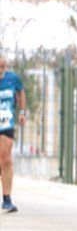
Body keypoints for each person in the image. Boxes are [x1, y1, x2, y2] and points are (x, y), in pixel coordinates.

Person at [0, 55, 26, 213]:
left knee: (6, 158)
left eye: (3, 66)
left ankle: (7, 199)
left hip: (6, 121)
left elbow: (21, 92)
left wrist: (22, 112)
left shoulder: (12, 78)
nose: (1, 69)